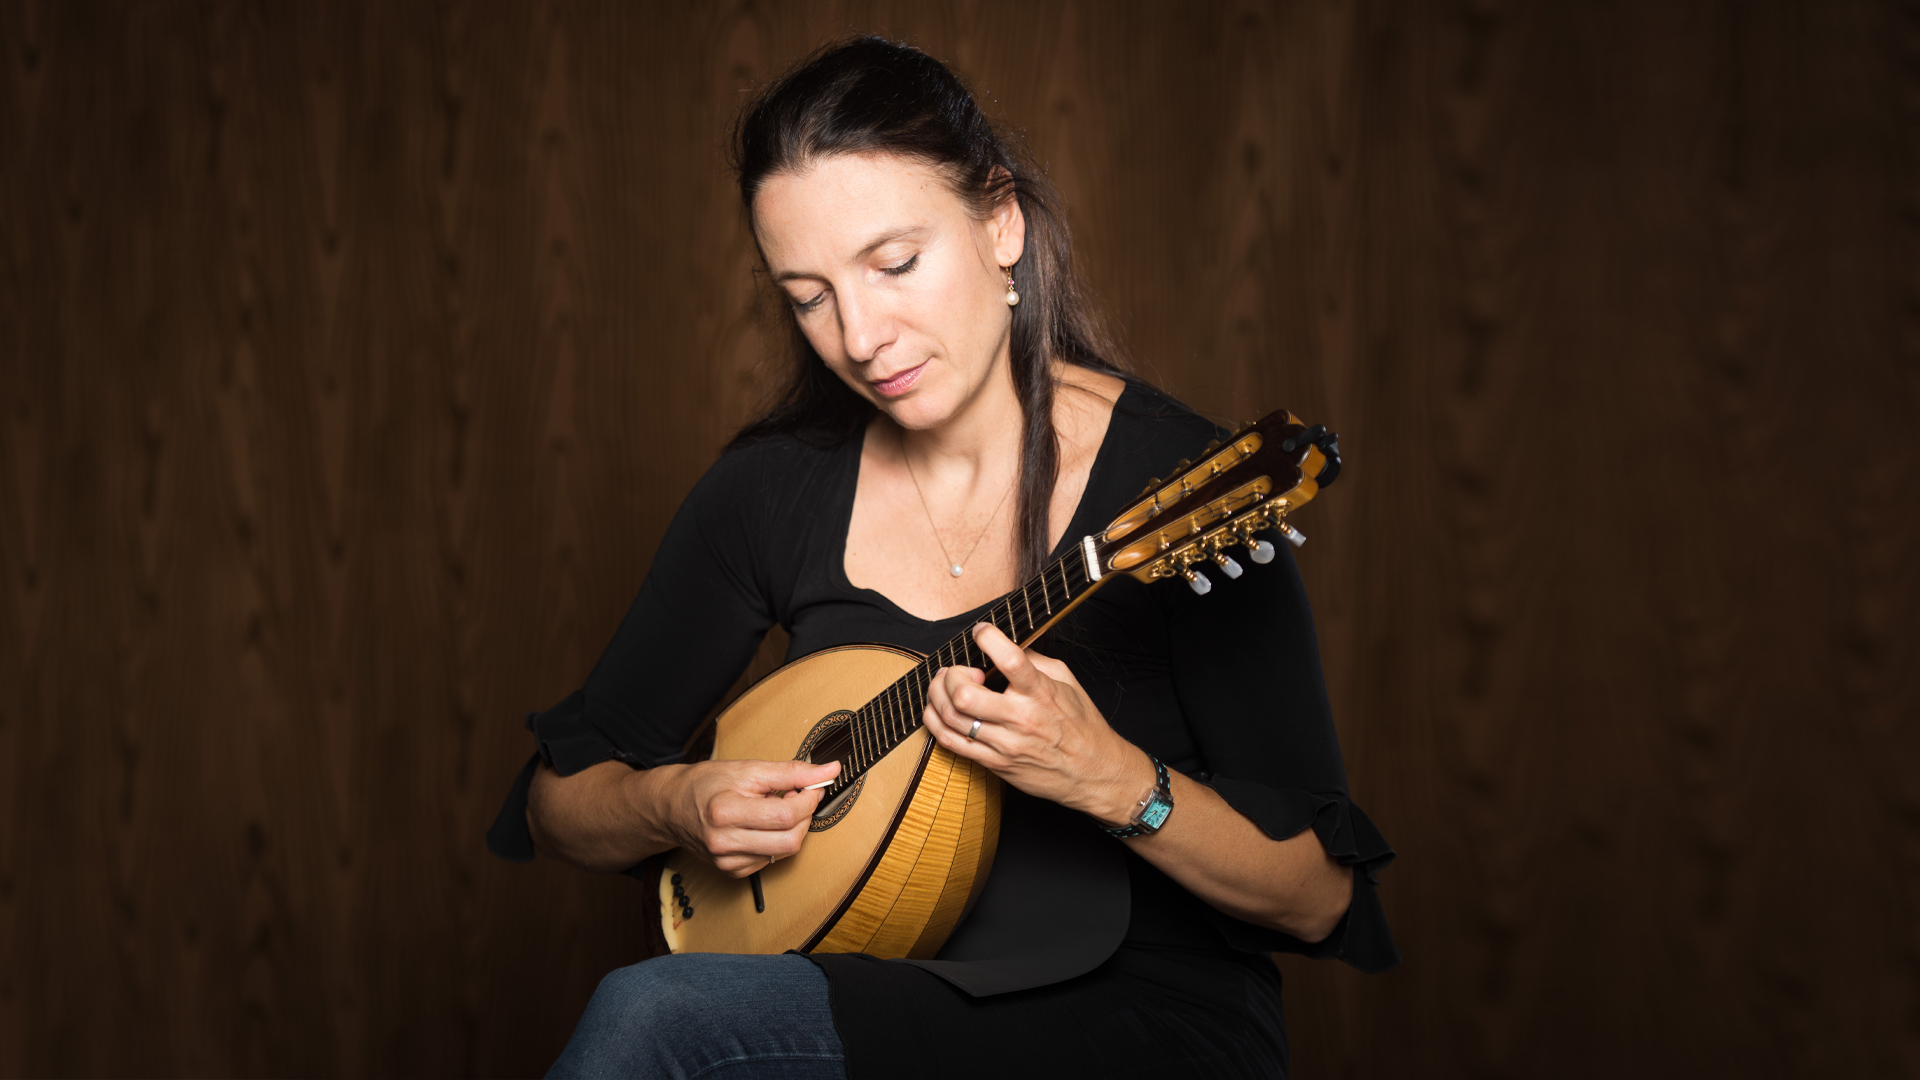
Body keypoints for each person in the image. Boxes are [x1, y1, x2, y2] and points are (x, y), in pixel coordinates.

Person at [486, 35, 1398, 1080]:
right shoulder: (771, 491)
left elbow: (1318, 897)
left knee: (656, 1019)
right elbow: (560, 803)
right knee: (658, 1012)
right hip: (875, 977)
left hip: (1140, 1015)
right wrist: (675, 804)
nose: (859, 336)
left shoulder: (1181, 490)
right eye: (809, 295)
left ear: (1000, 222)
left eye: (894, 264)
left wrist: (1115, 782)